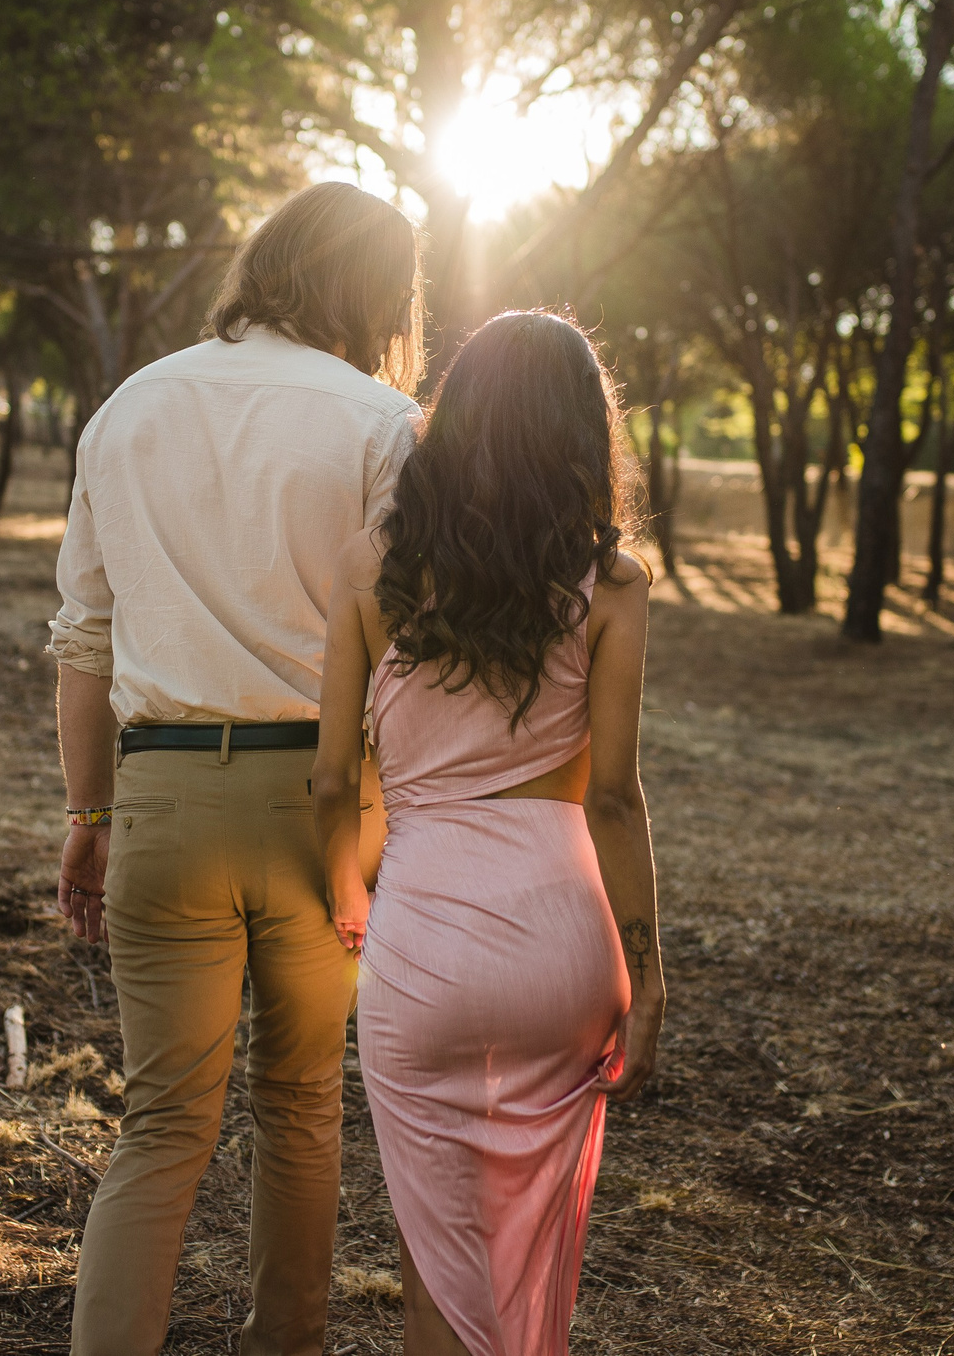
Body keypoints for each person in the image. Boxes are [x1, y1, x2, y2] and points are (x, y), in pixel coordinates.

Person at [48, 183, 425, 1356]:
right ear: (371, 291)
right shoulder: (382, 425)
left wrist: (87, 811)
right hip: (326, 806)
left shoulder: (126, 409)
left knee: (159, 1124)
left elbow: (83, 641)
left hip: (157, 797)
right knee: (304, 1106)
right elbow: (406, 653)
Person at [313, 310, 666, 1356]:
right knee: (534, 1257)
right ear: (580, 434)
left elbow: (332, 778)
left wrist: (346, 895)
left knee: (441, 1272)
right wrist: (649, 983)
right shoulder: (612, 582)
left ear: (452, 418)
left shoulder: (371, 568)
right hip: (565, 948)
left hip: (421, 944)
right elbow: (613, 796)